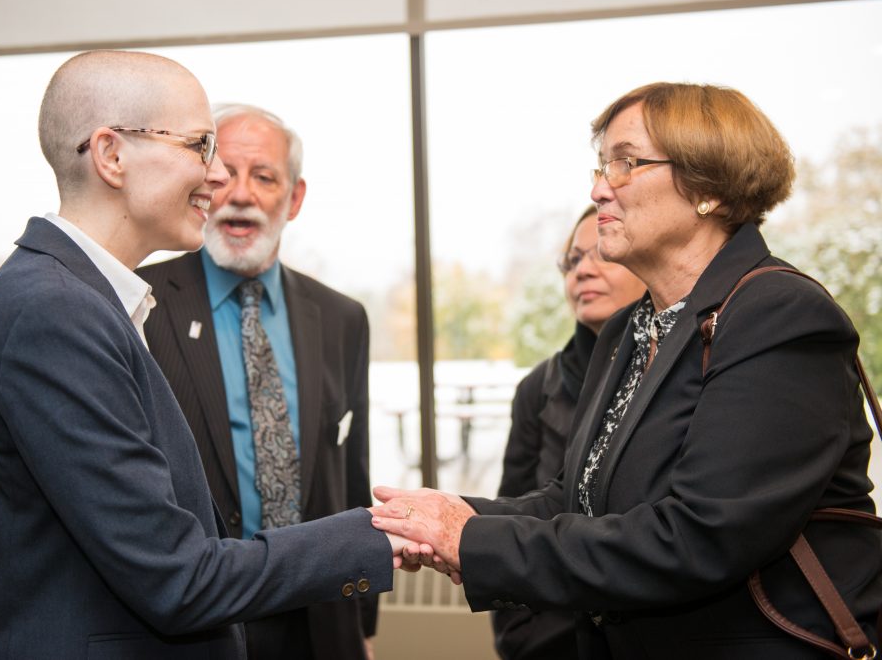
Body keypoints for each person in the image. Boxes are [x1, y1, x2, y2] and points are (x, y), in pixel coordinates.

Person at [372, 82, 882, 659]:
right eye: (601, 166)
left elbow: (700, 538)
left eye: (625, 164)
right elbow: (576, 499)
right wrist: (446, 515)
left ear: (706, 187)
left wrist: (469, 540)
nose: (597, 189)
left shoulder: (779, 315)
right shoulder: (627, 329)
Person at [0, 50, 406, 660]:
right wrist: (386, 535)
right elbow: (177, 577)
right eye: (199, 145)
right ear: (111, 156)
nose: (215, 177)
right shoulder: (55, 313)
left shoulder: (83, 300)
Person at [137, 103, 376, 660]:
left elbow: (352, 472)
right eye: (224, 175)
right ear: (202, 185)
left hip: (322, 619)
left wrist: (362, 626)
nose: (241, 194)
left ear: (293, 199)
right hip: (199, 624)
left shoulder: (342, 318)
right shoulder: (138, 304)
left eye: (264, 177)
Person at [492, 204, 644, 660]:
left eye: (599, 254)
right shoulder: (537, 388)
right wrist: (520, 635)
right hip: (551, 637)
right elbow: (511, 512)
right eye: (572, 260)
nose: (582, 271)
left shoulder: (681, 370)